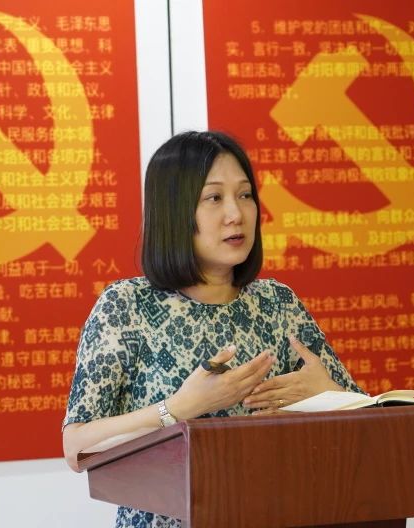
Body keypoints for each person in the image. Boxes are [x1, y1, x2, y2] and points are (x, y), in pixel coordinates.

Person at [62, 130, 362, 528]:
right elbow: (77, 448)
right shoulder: (127, 305)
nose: (236, 213)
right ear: (175, 211)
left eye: (245, 195)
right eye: (214, 198)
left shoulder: (277, 302)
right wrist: (180, 409)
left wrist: (328, 395)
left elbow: (367, 427)